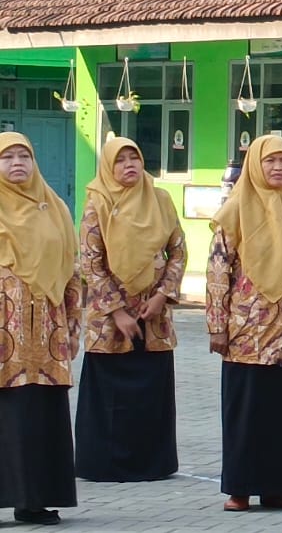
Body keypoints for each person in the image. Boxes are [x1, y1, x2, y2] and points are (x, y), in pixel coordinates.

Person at [207, 135, 282, 512]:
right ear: (255, 165)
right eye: (270, 161)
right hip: (248, 334)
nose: (278, 167)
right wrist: (216, 324)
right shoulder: (236, 208)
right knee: (246, 412)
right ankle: (239, 490)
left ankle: (280, 489)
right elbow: (217, 271)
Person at [76, 136, 183, 483]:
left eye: (133, 158)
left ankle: (152, 464)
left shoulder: (161, 200)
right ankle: (104, 466)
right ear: (109, 166)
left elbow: (177, 251)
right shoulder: (98, 203)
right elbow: (90, 262)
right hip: (111, 319)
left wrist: (163, 296)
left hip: (153, 315)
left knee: (151, 394)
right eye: (120, 160)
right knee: (110, 395)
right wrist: (117, 311)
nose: (129, 166)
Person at [0, 132, 80, 525]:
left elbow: (72, 273)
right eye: (7, 157)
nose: (17, 163)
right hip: (4, 338)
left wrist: (73, 328)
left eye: (24, 156)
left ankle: (34, 500)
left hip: (47, 334)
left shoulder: (56, 208)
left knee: (39, 415)